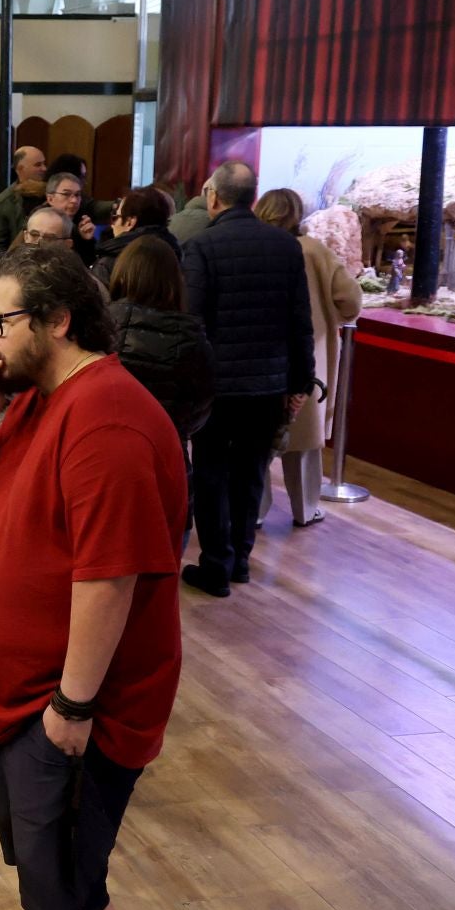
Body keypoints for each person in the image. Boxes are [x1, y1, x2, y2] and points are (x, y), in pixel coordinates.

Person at [0, 245, 187, 910]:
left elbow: (110, 577)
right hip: (17, 696)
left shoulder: (107, 414)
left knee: (72, 895)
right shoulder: (30, 398)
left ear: (56, 321)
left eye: (0, 323)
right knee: (47, 882)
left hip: (68, 710)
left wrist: (73, 708)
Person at [180, 160, 314, 596]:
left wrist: (191, 382)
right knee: (252, 473)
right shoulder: (285, 246)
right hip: (268, 385)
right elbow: (300, 321)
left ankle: (216, 565)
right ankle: (240, 559)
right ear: (253, 197)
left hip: (217, 388)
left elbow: (192, 322)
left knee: (211, 473)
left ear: (214, 197)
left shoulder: (202, 247)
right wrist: (300, 382)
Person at [256, 187, 361, 529]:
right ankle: (305, 508)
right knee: (303, 442)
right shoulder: (315, 251)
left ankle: (254, 512)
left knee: (255, 445)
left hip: (257, 357)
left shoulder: (254, 248)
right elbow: (351, 300)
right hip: (307, 354)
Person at [107, 237, 214, 445]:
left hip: (108, 445)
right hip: (167, 445)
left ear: (122, 273)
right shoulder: (191, 335)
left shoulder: (100, 323)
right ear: (174, 279)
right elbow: (200, 406)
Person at [90, 186, 180, 288]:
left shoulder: (108, 264)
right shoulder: (174, 254)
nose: (112, 225)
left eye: (115, 218)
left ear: (130, 222)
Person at [0, 145, 47, 251]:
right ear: (20, 169)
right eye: (38, 165)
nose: (44, 168)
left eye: (44, 163)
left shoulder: (52, 195)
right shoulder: (1, 203)